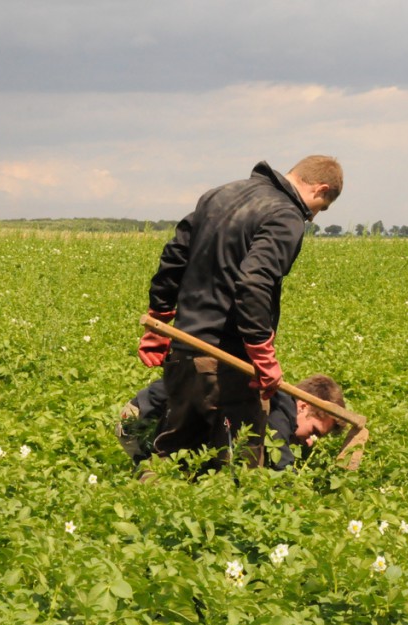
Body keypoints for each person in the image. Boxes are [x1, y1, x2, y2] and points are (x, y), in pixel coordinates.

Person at [136, 156, 343, 469]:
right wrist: (262, 355)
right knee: (237, 469)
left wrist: (160, 319)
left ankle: (145, 509)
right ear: (320, 189)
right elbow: (254, 282)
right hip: (227, 366)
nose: (313, 217)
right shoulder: (286, 216)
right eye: (320, 208)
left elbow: (174, 256)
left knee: (172, 458)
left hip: (183, 353)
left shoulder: (219, 195)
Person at [116, 374, 345, 471]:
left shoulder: (278, 402)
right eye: (315, 432)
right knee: (156, 478)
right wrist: (294, 497)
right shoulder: (279, 406)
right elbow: (279, 455)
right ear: (303, 406)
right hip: (141, 418)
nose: (311, 442)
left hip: (157, 414)